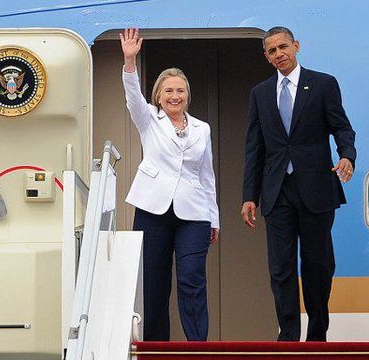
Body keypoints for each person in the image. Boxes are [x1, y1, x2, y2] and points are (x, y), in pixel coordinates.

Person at [241, 26, 356, 342]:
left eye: (283, 47)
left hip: (316, 189)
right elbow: (255, 148)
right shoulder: (260, 94)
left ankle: (318, 334)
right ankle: (289, 335)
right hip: (277, 192)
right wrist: (249, 195)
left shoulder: (322, 84)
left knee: (318, 265)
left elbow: (342, 128)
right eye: (272, 51)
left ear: (296, 46)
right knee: (281, 268)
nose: (279, 54)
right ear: (266, 57)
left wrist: (347, 156)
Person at [120, 28, 220, 341]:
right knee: (154, 283)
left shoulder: (202, 129)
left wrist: (214, 219)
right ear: (159, 97)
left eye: (180, 91)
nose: (174, 96)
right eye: (168, 91)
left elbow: (207, 175)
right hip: (153, 209)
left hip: (194, 214)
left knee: (192, 279)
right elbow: (132, 96)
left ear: (187, 95)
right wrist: (129, 61)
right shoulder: (148, 118)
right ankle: (156, 346)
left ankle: (197, 346)